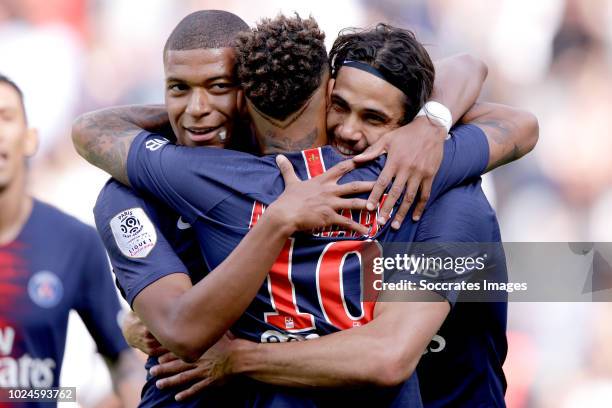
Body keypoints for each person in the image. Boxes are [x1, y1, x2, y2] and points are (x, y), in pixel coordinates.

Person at [74, 13, 536, 406]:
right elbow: (179, 323)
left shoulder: (429, 180)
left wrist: (432, 124)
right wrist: (143, 321)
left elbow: (388, 353)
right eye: (181, 88)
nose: (351, 132)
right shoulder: (163, 185)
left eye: (219, 86)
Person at [0, 74, 144, 407]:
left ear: (30, 140)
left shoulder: (74, 242)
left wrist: (135, 391)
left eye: (5, 117)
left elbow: (121, 359)